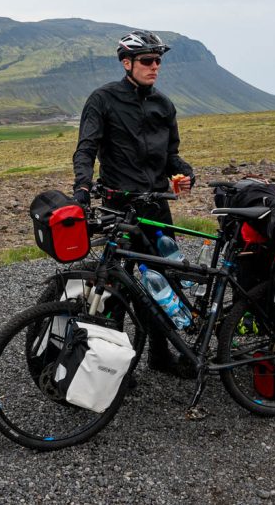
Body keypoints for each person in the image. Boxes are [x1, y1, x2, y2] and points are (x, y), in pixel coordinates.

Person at [72, 30, 196, 378]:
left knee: (162, 282)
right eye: (147, 61)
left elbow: (171, 156)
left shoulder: (163, 104)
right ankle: (113, 370)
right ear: (126, 63)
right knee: (115, 290)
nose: (154, 66)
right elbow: (87, 148)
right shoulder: (103, 99)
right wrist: (82, 188)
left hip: (156, 206)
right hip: (118, 207)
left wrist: (185, 173)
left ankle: (159, 355)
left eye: (158, 60)